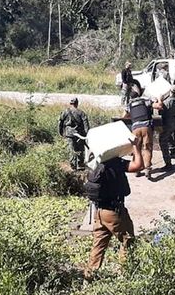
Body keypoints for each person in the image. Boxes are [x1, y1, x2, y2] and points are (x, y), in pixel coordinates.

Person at [84, 138, 144, 280]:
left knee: (98, 246)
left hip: (99, 212)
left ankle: (89, 276)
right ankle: (126, 275)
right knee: (128, 240)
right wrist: (135, 147)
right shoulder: (115, 162)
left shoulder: (96, 163)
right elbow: (138, 165)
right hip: (114, 212)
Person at [122, 92, 162, 179]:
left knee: (136, 149)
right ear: (139, 95)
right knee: (147, 148)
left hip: (135, 128)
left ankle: (137, 170)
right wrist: (159, 99)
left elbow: (124, 116)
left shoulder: (129, 105)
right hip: (146, 127)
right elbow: (158, 106)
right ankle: (147, 169)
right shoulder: (145, 101)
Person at [58, 97, 89, 170]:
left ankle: (73, 166)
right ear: (77, 103)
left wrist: (61, 132)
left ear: (70, 103)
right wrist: (86, 135)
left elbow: (60, 123)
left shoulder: (65, 112)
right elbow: (86, 125)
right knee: (80, 149)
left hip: (69, 134)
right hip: (79, 134)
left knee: (71, 150)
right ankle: (80, 165)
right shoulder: (81, 113)